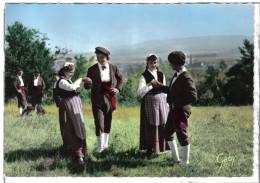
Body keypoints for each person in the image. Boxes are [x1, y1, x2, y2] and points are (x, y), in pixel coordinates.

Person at [158, 51, 197, 165]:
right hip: (174, 111)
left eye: (171, 63)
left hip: (182, 112)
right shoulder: (177, 75)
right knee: (167, 133)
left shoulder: (186, 77)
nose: (170, 65)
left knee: (182, 134)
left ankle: (185, 162)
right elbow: (172, 91)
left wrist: (177, 103)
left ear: (177, 64)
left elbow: (193, 96)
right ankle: (176, 159)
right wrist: (160, 86)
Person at [85, 46, 123, 153]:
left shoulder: (114, 67)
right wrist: (87, 84)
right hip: (96, 98)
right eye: (98, 57)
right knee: (99, 122)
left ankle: (105, 146)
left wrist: (117, 89)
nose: (100, 60)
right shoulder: (91, 69)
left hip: (109, 98)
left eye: (102, 57)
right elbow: (87, 86)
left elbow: (120, 79)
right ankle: (99, 147)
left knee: (108, 122)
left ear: (107, 57)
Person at [137, 53, 169, 158]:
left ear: (157, 63)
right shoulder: (144, 76)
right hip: (150, 103)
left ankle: (162, 148)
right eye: (151, 62)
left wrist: (167, 104)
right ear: (147, 63)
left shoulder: (161, 74)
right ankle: (150, 149)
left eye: (155, 62)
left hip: (162, 102)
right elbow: (140, 93)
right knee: (152, 125)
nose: (153, 64)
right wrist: (150, 84)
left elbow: (165, 90)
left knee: (162, 124)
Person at [55, 62, 87, 164]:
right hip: (68, 108)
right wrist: (81, 79)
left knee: (78, 126)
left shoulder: (68, 80)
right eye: (70, 72)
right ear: (64, 71)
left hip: (74, 107)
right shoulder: (61, 82)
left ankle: (80, 152)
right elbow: (72, 88)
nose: (72, 74)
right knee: (70, 128)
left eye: (73, 72)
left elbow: (74, 89)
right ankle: (75, 154)